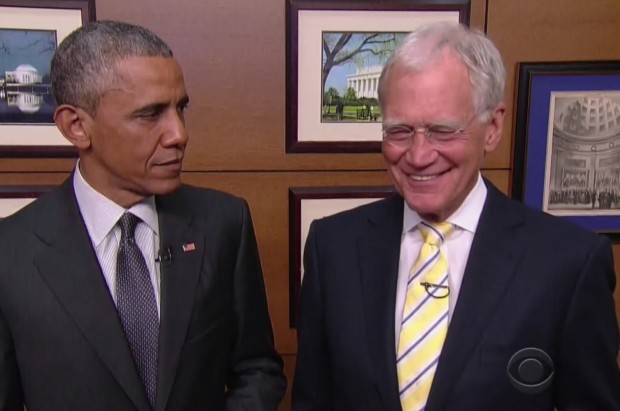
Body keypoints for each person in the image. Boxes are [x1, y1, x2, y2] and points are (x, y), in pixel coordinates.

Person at [292, 21, 620, 410]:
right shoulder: (333, 248)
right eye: (399, 131)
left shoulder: (569, 264)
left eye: (442, 131)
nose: (418, 155)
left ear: (493, 128)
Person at [0, 20, 286, 411]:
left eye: (180, 108)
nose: (179, 134)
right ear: (77, 126)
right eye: (150, 114)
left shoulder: (223, 223)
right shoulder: (10, 253)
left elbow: (256, 368)